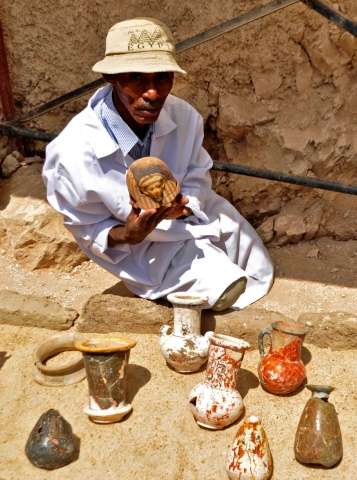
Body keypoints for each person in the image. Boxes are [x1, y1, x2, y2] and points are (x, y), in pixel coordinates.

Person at [43, 17, 274, 311]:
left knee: (258, 267)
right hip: (140, 248)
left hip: (195, 218)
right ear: (111, 78)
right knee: (226, 290)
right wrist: (129, 234)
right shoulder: (72, 153)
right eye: (136, 78)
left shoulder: (184, 116)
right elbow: (87, 228)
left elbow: (197, 174)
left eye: (162, 77)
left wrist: (186, 204)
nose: (152, 93)